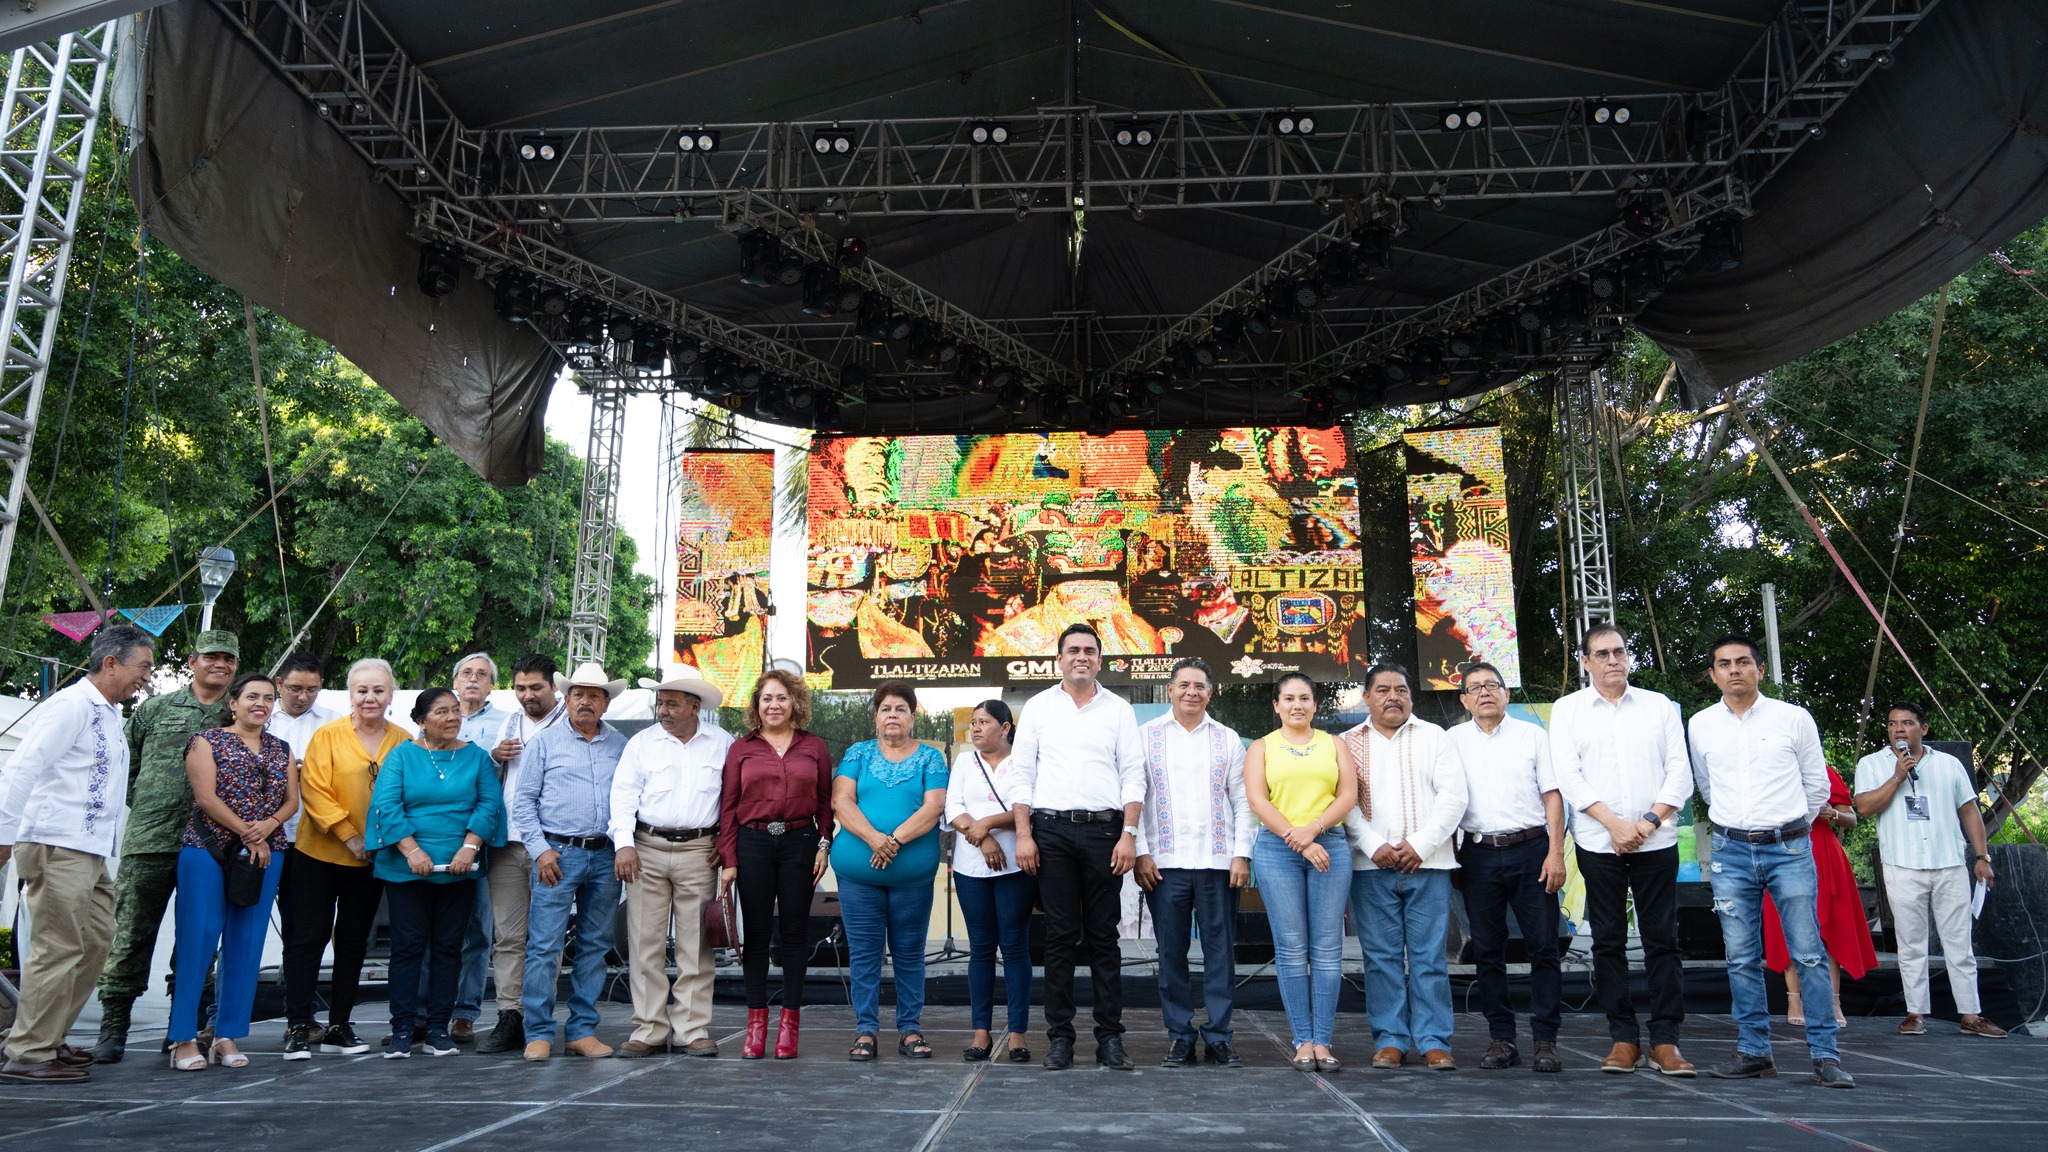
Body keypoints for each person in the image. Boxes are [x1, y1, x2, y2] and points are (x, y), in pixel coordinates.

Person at [1689, 635, 1854, 1088]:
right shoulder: (1700, 724)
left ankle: (1825, 1055)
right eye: (1724, 664)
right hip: (1730, 850)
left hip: (1789, 847)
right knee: (1741, 957)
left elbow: (1816, 786)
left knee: (1808, 953)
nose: (1735, 670)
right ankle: (1754, 1052)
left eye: (1744, 662)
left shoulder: (1793, 718)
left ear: (1760, 670)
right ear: (1713, 675)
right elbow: (1706, 786)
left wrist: (1786, 828)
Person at [0, 626, 154, 1084]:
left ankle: (47, 1038)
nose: (146, 677)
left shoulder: (107, 712)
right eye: (142, 666)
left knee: (94, 942)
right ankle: (28, 1053)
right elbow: (22, 767)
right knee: (59, 946)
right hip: (55, 842)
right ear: (110, 663)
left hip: (89, 850)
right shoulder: (69, 706)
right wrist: (3, 835)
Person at [1550, 622, 1696, 1076]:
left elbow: (1680, 773)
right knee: (1608, 942)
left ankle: (1667, 1041)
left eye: (1619, 652)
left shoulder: (1658, 707)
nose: (1614, 660)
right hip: (1598, 841)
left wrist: (1647, 822)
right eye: (1603, 654)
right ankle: (1624, 1038)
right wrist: (1614, 825)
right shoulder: (1568, 709)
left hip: (1656, 840)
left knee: (1663, 942)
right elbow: (1569, 777)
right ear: (1586, 661)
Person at [91, 629, 238, 1063]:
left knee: (199, 940)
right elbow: (125, 765)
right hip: (150, 840)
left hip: (211, 847)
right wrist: (153, 803)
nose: (220, 665)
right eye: (211, 656)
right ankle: (113, 1030)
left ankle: (184, 1030)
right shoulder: (155, 708)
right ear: (192, 660)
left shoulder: (239, 716)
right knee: (131, 936)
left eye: (228, 659)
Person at [1009, 622, 1147, 1072]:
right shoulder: (1037, 707)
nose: (1081, 657)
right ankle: (1060, 1040)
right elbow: (1021, 775)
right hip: (1050, 834)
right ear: (1059, 659)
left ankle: (1110, 1039)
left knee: (1105, 938)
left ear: (1100, 660)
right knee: (1060, 937)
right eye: (1073, 650)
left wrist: (1129, 834)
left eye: (1089, 650)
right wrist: (1025, 834)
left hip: (1106, 834)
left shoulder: (1120, 710)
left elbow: (1133, 774)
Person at [1853, 700, 2007, 1039]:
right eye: (1893, 724)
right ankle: (1915, 1013)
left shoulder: (1949, 765)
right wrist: (1897, 776)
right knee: (1911, 943)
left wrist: (1982, 857)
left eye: (1907, 724)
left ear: (1923, 729)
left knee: (1959, 943)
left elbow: (1969, 811)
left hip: (1949, 862)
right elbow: (1863, 807)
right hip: (1902, 864)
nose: (1898, 730)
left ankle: (1970, 1015)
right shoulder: (1872, 764)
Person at [167, 673, 297, 1072]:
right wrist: (247, 830)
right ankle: (184, 1038)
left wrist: (268, 826)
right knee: (199, 940)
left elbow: (292, 801)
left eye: (269, 698)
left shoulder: (281, 748)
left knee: (247, 943)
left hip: (264, 854)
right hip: (208, 852)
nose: (261, 704)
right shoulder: (207, 741)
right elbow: (205, 797)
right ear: (234, 702)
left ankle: (227, 1034)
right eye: (252, 697)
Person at [1340, 662, 1467, 1071]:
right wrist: (1373, 844)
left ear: (1412, 697)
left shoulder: (1436, 738)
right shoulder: (1345, 743)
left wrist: (1420, 845)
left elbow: (1454, 799)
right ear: (1366, 697)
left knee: (1430, 957)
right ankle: (1391, 1038)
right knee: (1381, 958)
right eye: (1382, 690)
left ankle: (1433, 1040)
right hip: (1370, 866)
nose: (1392, 696)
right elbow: (1343, 803)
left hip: (1428, 865)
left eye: (1401, 689)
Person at [367, 687, 505, 1059]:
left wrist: (469, 847)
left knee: (449, 949)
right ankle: (402, 1029)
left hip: (459, 868)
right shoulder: (401, 756)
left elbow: (489, 803)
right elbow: (386, 805)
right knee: (408, 949)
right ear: (421, 720)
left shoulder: (475, 758)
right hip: (406, 869)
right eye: (442, 711)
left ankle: (439, 1030)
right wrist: (412, 851)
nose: (452, 717)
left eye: (456, 711)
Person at [282, 657, 410, 1059]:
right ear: (350, 694)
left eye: (378, 690)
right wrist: (351, 836)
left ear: (391, 695)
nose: (370, 697)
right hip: (319, 854)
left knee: (354, 942)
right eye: (362, 690)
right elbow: (315, 791)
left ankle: (340, 1024)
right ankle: (298, 1026)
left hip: (374, 860)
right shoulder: (328, 734)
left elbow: (408, 796)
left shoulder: (405, 740)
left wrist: (380, 842)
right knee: (307, 939)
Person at [1448, 661, 1567, 1074]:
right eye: (1474, 687)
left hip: (1533, 850)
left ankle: (1546, 1040)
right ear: (1463, 699)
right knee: (1487, 950)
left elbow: (1553, 797)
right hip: (1477, 855)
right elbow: (1445, 802)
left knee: (1544, 948)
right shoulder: (1452, 740)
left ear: (1506, 693)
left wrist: (1556, 853)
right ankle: (1501, 1038)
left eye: (1492, 685)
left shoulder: (1533, 736)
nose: (1484, 692)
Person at [1134, 656, 1253, 1068]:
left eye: (1199, 685)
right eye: (1183, 685)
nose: (1191, 692)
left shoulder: (1227, 738)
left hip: (1218, 862)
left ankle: (1219, 1035)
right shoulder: (1145, 737)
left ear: (1210, 691)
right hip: (1163, 864)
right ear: (1169, 689)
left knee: (1221, 952)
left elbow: (1242, 800)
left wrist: (1241, 853)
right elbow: (1135, 797)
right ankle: (1180, 1035)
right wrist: (1141, 851)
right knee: (1171, 953)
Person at [609, 667, 731, 1058]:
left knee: (696, 946)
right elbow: (623, 796)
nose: (663, 710)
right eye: (660, 702)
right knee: (645, 943)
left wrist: (727, 845)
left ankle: (691, 1030)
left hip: (701, 850)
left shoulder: (722, 743)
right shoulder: (641, 743)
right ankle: (649, 1029)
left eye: (672, 703)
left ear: (695, 706)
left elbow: (734, 801)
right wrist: (623, 845)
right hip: (646, 847)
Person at [512, 661, 630, 1061]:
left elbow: (629, 800)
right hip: (556, 855)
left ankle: (581, 1030)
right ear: (566, 699)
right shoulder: (544, 743)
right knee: (544, 946)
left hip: (605, 855)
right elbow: (523, 803)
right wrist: (540, 850)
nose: (584, 702)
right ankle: (538, 1033)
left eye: (593, 695)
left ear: (606, 704)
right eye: (578, 694)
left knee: (595, 945)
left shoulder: (620, 745)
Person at [718, 668, 835, 1060]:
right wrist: (729, 859)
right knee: (756, 934)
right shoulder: (741, 749)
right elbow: (728, 808)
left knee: (795, 935)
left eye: (782, 698)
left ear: (795, 703)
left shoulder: (814, 747)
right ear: (757, 705)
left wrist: (824, 845)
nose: (774, 705)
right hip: (752, 843)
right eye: (767, 698)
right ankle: (755, 1026)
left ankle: (789, 1025)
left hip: (801, 843)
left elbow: (824, 803)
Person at [1244, 672, 1357, 1072]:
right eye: (1288, 698)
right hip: (1278, 849)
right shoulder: (1261, 747)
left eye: (1305, 698)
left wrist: (1315, 831)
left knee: (1327, 950)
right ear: (1276, 705)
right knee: (1291, 950)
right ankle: (1302, 1040)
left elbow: (1348, 795)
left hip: (1330, 845)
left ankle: (1323, 1041)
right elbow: (1258, 800)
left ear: (1314, 704)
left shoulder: (1335, 745)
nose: (1297, 705)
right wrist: (1301, 840)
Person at [832, 681, 949, 1062]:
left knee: (909, 953)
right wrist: (873, 839)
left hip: (911, 878)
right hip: (859, 875)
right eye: (886, 709)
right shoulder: (858, 753)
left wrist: (894, 841)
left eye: (901, 709)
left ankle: (910, 1029)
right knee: (864, 954)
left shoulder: (931, 758)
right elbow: (841, 800)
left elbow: (934, 808)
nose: (893, 715)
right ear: (876, 716)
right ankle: (865, 1031)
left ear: (913, 717)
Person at [476, 653, 564, 1054]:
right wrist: (496, 758)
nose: (527, 695)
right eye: (520, 687)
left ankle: (538, 1018)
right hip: (508, 842)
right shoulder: (508, 722)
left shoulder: (568, 720)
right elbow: (486, 779)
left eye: (536, 688)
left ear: (554, 688)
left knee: (546, 939)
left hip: (552, 844)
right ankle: (509, 1014)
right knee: (508, 936)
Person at [944, 699, 1035, 1063]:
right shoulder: (965, 761)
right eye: (974, 723)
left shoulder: (1025, 761)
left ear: (1006, 727)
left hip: (1017, 866)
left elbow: (1030, 807)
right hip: (971, 868)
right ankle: (981, 1031)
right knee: (981, 947)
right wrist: (982, 837)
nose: (976, 729)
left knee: (1014, 946)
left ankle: (1017, 1033)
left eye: (984, 722)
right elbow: (953, 807)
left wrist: (988, 823)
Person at [1763, 762, 1877, 1028]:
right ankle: (1795, 1000)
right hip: (1782, 853)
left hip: (1823, 851)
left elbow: (1851, 818)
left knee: (1830, 930)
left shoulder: (1823, 772)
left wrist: (1832, 815)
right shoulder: (1769, 770)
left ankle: (1833, 1001)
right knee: (1786, 928)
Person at [267, 651, 337, 1003]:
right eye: (295, 688)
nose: (303, 696)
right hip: (259, 837)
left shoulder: (335, 724)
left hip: (310, 839)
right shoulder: (260, 716)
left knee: (305, 930)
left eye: (312, 689)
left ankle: (299, 1011)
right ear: (279, 683)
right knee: (240, 926)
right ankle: (217, 1020)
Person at [442, 652, 504, 1043]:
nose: (473, 679)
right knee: (431, 930)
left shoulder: (505, 724)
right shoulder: (435, 717)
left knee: (479, 929)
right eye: (466, 672)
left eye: (482, 674)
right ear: (454, 679)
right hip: (436, 836)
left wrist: (497, 758)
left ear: (492, 685)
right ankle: (421, 1012)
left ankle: (465, 1013)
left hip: (483, 836)